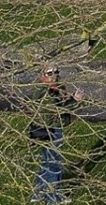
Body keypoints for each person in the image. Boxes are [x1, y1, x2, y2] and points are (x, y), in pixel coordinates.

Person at [29, 67, 83, 203]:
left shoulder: (54, 87)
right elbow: (56, 109)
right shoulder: (44, 91)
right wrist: (75, 101)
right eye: (50, 73)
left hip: (47, 129)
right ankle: (54, 198)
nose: (55, 75)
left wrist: (68, 98)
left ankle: (38, 193)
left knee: (47, 161)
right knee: (54, 164)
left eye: (57, 72)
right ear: (42, 75)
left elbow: (59, 103)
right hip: (51, 129)